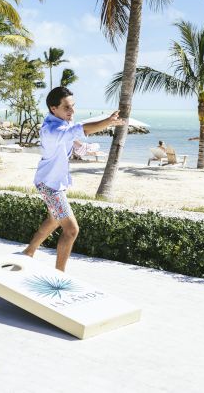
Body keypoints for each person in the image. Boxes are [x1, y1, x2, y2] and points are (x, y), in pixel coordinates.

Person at [22, 86, 125, 271]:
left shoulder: (60, 120)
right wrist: (108, 122)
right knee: (71, 230)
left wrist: (85, 148)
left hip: (51, 181)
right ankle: (58, 275)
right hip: (49, 184)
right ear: (54, 108)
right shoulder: (52, 130)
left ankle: (29, 251)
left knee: (54, 219)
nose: (72, 111)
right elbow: (76, 131)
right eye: (67, 107)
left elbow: (72, 138)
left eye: (73, 106)